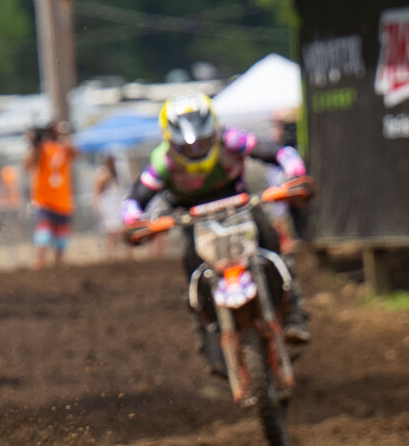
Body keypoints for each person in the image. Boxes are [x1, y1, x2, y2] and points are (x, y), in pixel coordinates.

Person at [120, 93, 312, 348]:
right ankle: (204, 327)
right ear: (171, 141)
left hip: (239, 204)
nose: (196, 150)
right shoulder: (162, 162)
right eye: (188, 147)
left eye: (203, 142)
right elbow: (134, 198)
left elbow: (278, 152)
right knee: (192, 261)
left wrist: (294, 174)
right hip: (193, 217)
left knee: (268, 237)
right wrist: (135, 220)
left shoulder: (232, 140)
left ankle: (293, 310)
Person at [24, 121, 76, 267]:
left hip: (62, 200)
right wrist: (34, 143)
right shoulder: (41, 149)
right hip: (44, 199)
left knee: (61, 236)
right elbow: (27, 164)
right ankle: (40, 261)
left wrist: (66, 135)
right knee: (44, 231)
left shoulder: (64, 148)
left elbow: (77, 152)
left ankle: (58, 263)